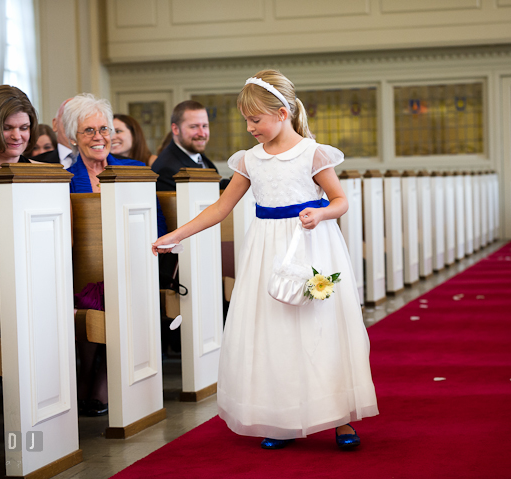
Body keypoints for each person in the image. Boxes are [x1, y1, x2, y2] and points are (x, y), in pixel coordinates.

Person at [152, 70, 378, 449]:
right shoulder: (249, 160)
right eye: (246, 120)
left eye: (255, 119)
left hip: (310, 246)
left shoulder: (312, 153)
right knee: (274, 334)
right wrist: (177, 234)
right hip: (265, 251)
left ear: (282, 113)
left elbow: (340, 201)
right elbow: (222, 207)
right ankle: (281, 420)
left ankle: (341, 420)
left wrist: (320, 213)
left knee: (320, 329)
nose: (250, 127)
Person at [63, 93, 167, 416]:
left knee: (112, 289)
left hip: (132, 267)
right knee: (92, 291)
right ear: (72, 137)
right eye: (89, 131)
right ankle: (89, 372)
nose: (99, 138)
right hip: (81, 270)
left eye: (104, 129)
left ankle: (102, 375)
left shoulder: (135, 170)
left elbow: (158, 225)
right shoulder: (63, 179)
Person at [151, 100, 218, 191]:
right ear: (175, 129)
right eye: (194, 127)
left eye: (205, 126)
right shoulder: (166, 169)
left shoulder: (198, 156)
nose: (202, 133)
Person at [32, 99, 76, 168]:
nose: (73, 125)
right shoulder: (34, 163)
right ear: (55, 124)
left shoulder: (97, 160)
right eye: (67, 118)